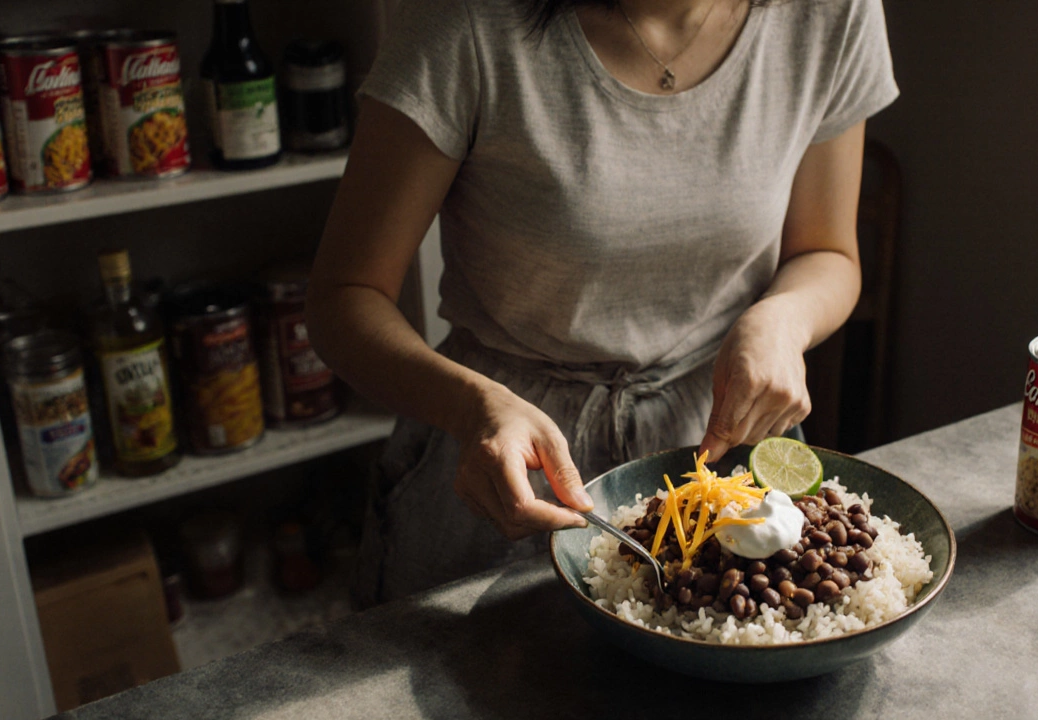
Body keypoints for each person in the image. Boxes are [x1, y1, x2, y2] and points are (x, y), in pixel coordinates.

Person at [307, 0, 897, 605]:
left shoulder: (831, 12)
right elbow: (342, 300)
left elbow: (827, 252)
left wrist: (782, 320)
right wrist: (473, 407)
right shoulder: (463, 20)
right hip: (507, 450)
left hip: (723, 441)